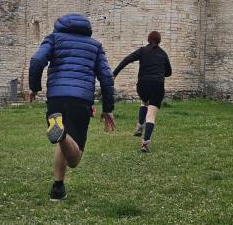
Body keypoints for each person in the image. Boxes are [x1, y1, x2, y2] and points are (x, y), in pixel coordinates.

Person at [29, 13, 116, 201]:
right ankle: (61, 134)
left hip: (56, 99)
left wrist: (34, 88)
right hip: (80, 100)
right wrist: (108, 108)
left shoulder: (53, 38)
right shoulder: (95, 46)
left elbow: (37, 60)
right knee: (74, 159)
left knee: (62, 140)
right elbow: (107, 78)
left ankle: (58, 188)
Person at [113, 31, 172, 153]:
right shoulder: (163, 54)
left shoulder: (142, 51)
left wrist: (114, 74)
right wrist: (160, 71)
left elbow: (127, 60)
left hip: (143, 85)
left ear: (148, 39)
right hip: (158, 85)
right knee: (151, 115)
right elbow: (169, 72)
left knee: (144, 102)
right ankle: (145, 143)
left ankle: (140, 125)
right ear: (159, 41)